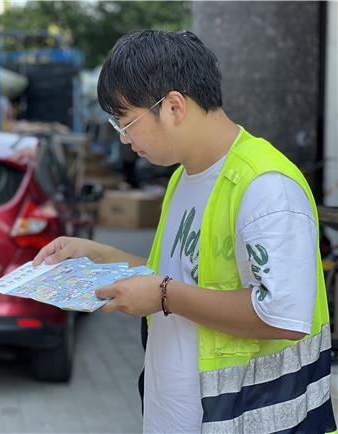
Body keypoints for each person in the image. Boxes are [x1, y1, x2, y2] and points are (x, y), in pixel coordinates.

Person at [33, 30, 336, 433]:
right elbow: (183, 274)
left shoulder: (266, 186)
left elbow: (282, 315)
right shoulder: (182, 179)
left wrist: (161, 295)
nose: (124, 139)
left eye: (127, 121)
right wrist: (103, 257)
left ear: (174, 106)